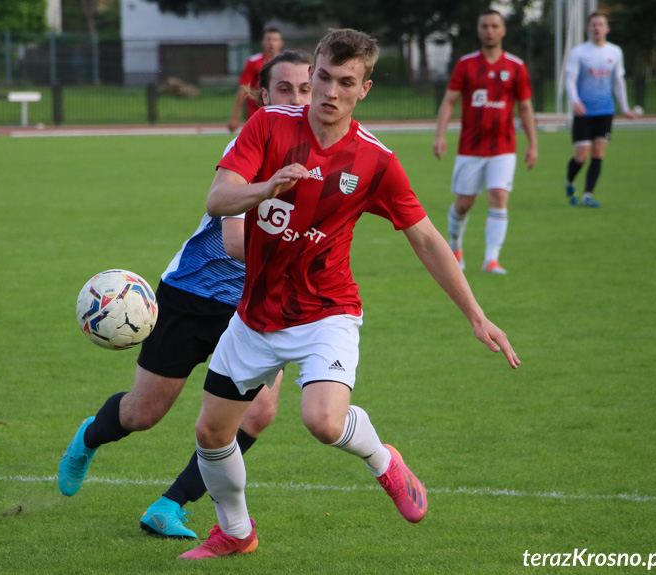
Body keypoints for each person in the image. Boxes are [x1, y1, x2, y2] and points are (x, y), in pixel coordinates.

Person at [179, 28, 520, 561]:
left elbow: (427, 238)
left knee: (323, 420)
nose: (329, 92)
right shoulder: (267, 126)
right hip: (254, 317)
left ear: (364, 89)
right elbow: (219, 197)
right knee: (211, 433)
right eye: (322, 77)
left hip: (326, 312)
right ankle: (236, 532)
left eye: (345, 82)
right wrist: (265, 187)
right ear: (310, 73)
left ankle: (384, 460)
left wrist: (477, 315)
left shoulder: (375, 161)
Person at [57, 51, 314, 540]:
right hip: (195, 293)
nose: (296, 99)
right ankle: (90, 436)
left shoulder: (319, 147)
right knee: (142, 413)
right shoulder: (253, 142)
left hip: (256, 305)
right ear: (262, 95)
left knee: (259, 411)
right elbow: (237, 242)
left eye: (306, 89)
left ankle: (170, 504)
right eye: (284, 89)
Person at [433, 8, 537, 275]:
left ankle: (491, 259)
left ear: (502, 30)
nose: (489, 31)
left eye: (494, 26)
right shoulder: (466, 64)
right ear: (478, 31)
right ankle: (455, 245)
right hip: (470, 147)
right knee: (464, 203)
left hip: (504, 146)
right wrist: (440, 135)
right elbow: (449, 101)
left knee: (499, 196)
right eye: (484, 26)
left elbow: (525, 108)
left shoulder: (516, 66)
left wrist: (533, 145)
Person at [564, 11, 635, 208]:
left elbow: (618, 82)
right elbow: (569, 80)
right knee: (581, 156)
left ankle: (587, 195)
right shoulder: (579, 52)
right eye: (594, 24)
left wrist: (625, 108)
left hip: (605, 111)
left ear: (607, 28)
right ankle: (569, 181)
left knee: (598, 154)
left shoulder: (615, 52)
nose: (597, 28)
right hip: (584, 111)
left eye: (601, 24)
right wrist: (575, 101)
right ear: (588, 28)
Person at [227, 26, 284, 133]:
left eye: (275, 40)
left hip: (279, 111)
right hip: (256, 113)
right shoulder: (254, 61)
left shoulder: (287, 64)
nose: (271, 43)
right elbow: (244, 88)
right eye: (268, 39)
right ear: (262, 42)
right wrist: (235, 117)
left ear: (281, 43)